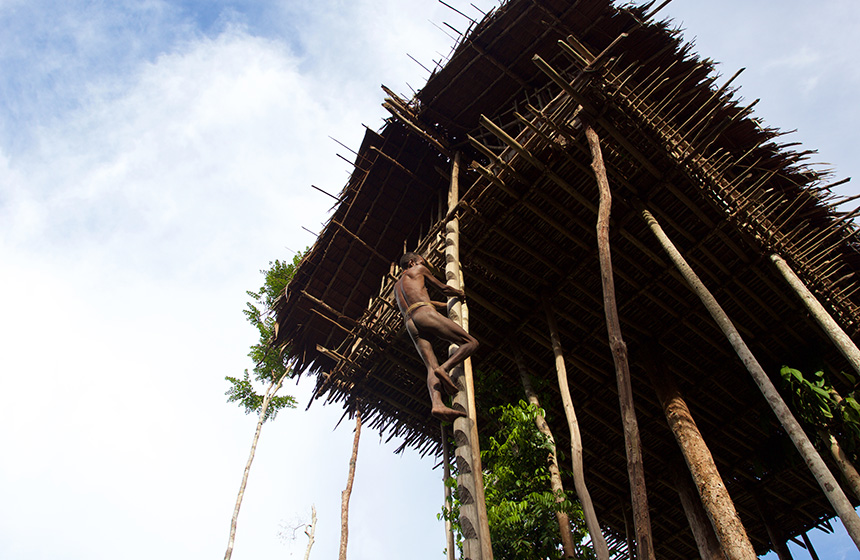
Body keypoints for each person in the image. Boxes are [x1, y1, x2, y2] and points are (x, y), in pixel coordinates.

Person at [394, 251, 479, 422]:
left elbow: (421, 301)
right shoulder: (418, 269)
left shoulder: (397, 287)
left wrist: (445, 305)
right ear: (412, 262)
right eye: (421, 260)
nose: (423, 263)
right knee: (471, 343)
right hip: (425, 313)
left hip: (410, 322)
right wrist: (459, 293)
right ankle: (445, 368)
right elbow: (444, 288)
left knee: (430, 366)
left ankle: (437, 404)